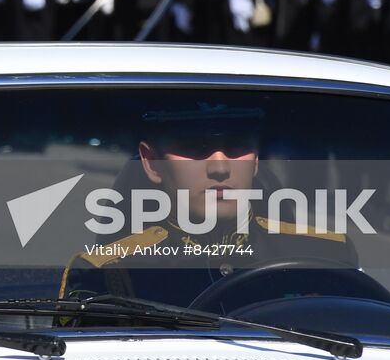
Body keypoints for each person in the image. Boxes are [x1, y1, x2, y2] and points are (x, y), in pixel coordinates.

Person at [59, 100, 358, 309]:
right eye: (194, 148)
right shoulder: (113, 274)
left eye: (237, 147)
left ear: (255, 159)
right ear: (152, 163)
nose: (219, 168)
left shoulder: (327, 254)